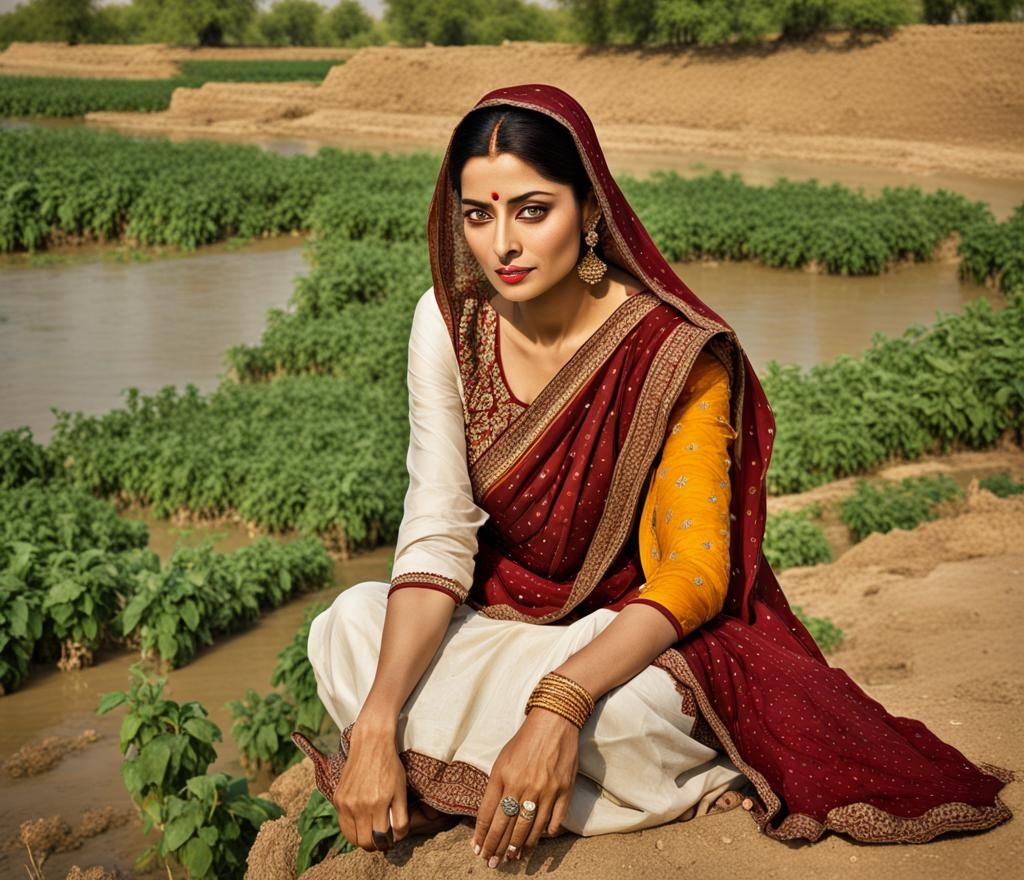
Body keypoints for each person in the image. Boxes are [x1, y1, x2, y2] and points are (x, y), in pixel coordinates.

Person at [293, 84, 1012, 867]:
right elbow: (437, 526)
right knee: (349, 628)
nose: (502, 243)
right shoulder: (447, 322)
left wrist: (560, 703)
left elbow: (699, 573)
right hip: (500, 621)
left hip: (627, 636)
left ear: (591, 212)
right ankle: (535, 772)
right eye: (478, 214)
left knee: (634, 714)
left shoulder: (672, 352)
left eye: (533, 210)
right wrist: (373, 721)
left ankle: (569, 769)